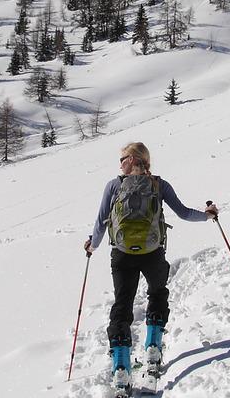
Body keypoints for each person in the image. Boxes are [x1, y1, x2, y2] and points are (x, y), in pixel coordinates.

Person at [85, 141, 218, 384]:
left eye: (123, 158)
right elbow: (184, 213)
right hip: (153, 252)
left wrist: (92, 245)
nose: (121, 163)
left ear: (132, 160)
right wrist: (207, 215)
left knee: (122, 304)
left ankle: (121, 366)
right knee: (157, 293)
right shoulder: (159, 184)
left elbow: (101, 222)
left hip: (122, 254)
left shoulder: (114, 185)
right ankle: (153, 347)